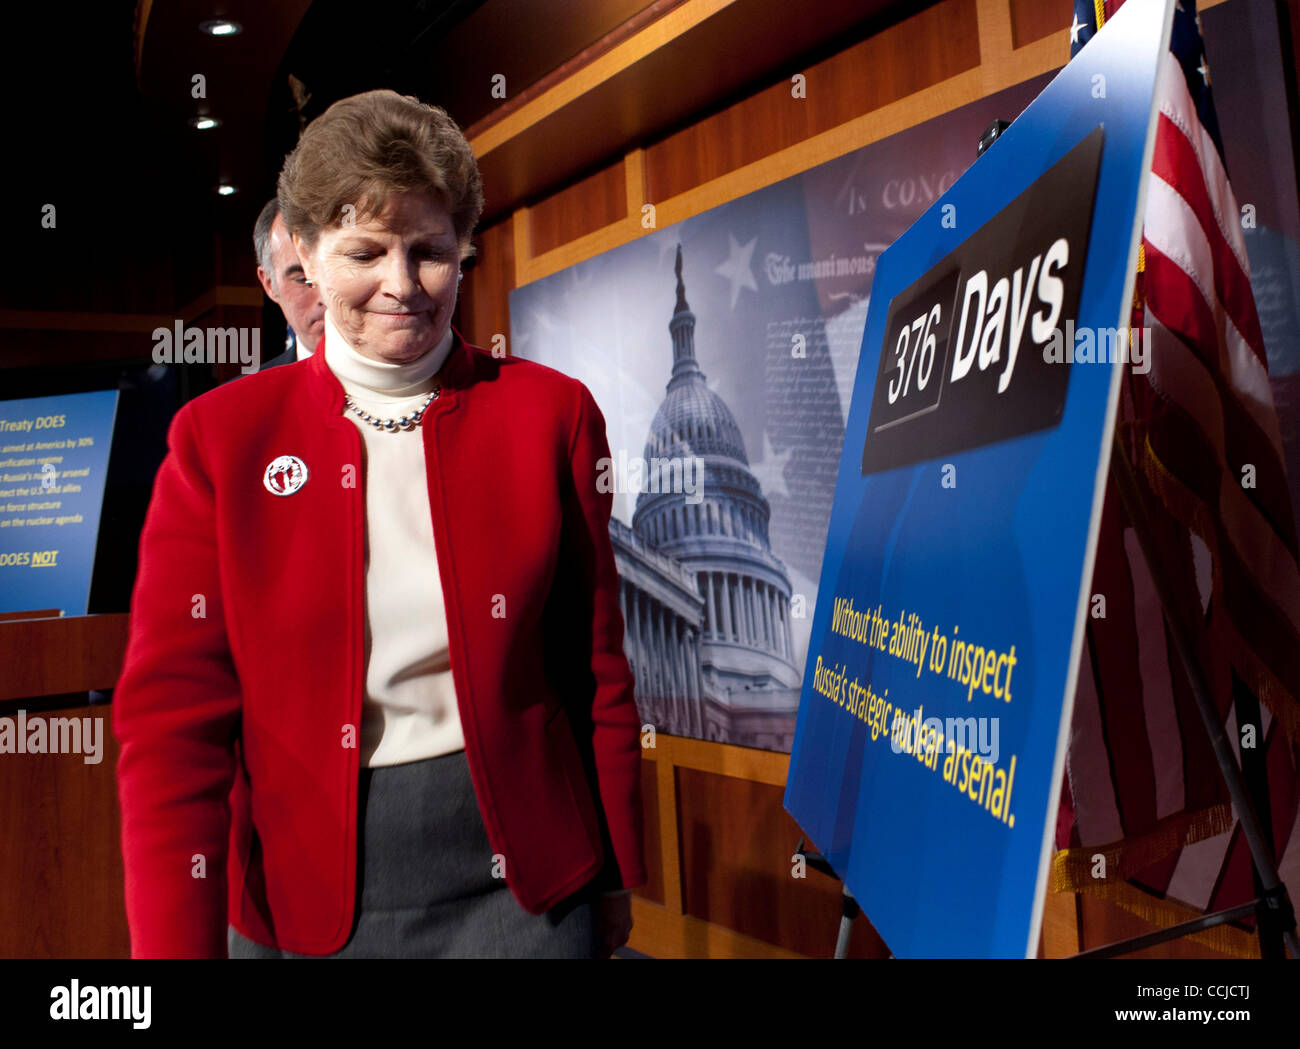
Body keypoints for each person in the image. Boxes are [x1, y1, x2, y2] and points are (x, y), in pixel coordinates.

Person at [112, 88, 646, 958]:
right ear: (306, 256)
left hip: (531, 894)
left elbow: (595, 666)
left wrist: (619, 869)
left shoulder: (553, 413)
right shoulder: (219, 440)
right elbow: (173, 731)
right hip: (300, 893)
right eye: (365, 251)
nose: (401, 285)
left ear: (463, 252)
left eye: (430, 252)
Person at [252, 198, 326, 368]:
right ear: (270, 285)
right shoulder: (242, 394)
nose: (325, 296)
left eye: (336, 273)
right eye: (303, 279)